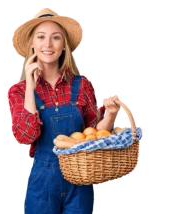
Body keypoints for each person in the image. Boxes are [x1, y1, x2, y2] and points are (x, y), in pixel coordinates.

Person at [8, 8, 121, 214]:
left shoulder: (81, 84)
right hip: (43, 183)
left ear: (63, 46)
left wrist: (111, 114)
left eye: (56, 37)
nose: (48, 44)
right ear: (32, 44)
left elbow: (94, 136)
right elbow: (26, 135)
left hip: (81, 180)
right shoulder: (20, 90)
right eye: (41, 37)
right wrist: (31, 87)